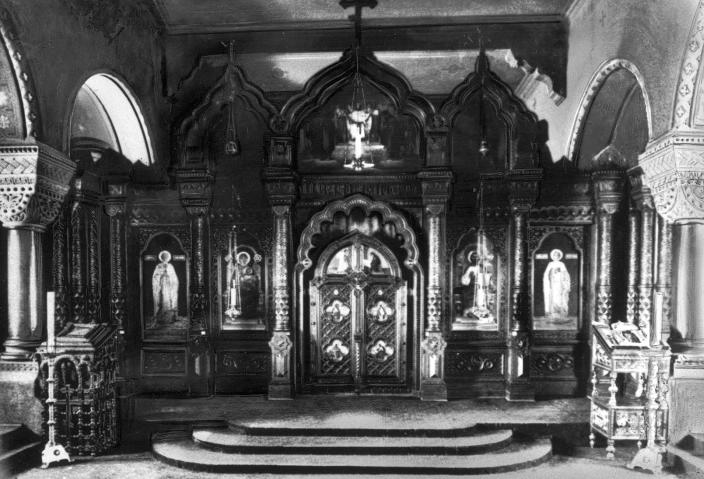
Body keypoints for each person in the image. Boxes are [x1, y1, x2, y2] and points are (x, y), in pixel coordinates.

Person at [151, 250, 179, 327]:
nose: (165, 258)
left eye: (166, 257)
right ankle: (160, 318)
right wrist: (161, 274)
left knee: (168, 299)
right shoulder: (158, 266)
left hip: (169, 285)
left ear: (168, 258)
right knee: (161, 300)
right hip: (161, 285)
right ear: (161, 258)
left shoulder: (170, 266)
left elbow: (174, 277)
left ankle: (169, 318)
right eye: (164, 257)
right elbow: (155, 276)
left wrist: (168, 275)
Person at [543, 248, 571, 317]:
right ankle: (553, 312)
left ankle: (560, 312)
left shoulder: (561, 264)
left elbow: (565, 273)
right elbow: (546, 273)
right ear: (553, 256)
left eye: (557, 255)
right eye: (554, 255)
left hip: (560, 283)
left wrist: (560, 274)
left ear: (559, 256)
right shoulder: (550, 264)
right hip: (552, 283)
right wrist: (552, 273)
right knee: (553, 297)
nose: (556, 257)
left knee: (560, 297)